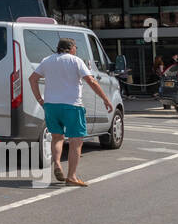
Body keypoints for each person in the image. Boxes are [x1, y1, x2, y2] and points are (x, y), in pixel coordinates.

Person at [29, 37, 114, 187]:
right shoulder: (76, 61)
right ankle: (71, 177)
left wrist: (40, 100)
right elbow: (91, 81)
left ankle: (56, 164)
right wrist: (105, 99)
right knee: (76, 141)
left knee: (57, 137)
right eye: (76, 47)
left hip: (51, 106)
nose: (76, 50)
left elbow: (32, 79)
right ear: (71, 48)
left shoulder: (47, 60)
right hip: (72, 106)